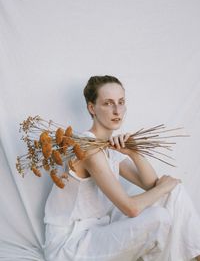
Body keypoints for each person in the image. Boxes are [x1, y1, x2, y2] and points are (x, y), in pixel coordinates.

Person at [43, 75, 200, 261]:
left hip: (100, 227)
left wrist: (134, 152)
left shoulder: (108, 146)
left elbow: (151, 186)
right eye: (108, 103)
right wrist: (164, 186)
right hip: (71, 244)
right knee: (159, 215)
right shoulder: (89, 149)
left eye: (121, 102)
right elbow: (131, 209)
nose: (117, 110)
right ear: (92, 108)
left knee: (175, 192)